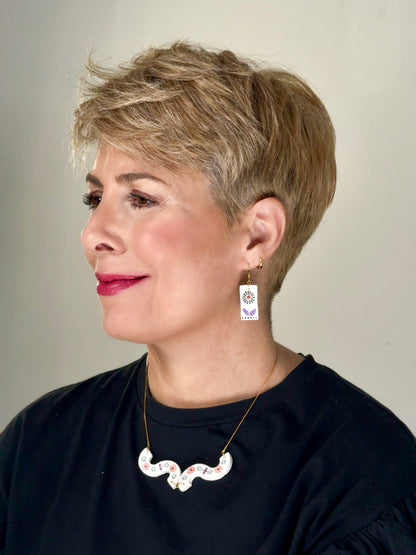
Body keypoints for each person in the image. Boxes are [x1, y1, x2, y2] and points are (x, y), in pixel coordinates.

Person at [1, 41, 415, 554]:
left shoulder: (363, 481)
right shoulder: (40, 442)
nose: (93, 235)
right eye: (95, 198)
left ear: (257, 236)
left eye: (141, 198)